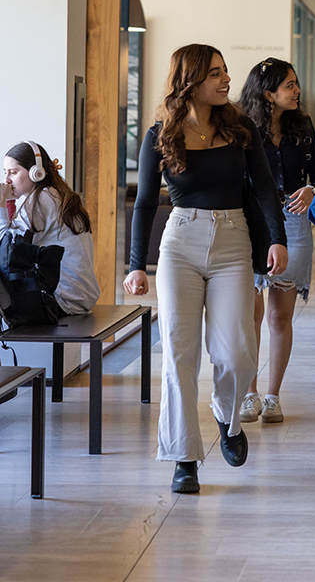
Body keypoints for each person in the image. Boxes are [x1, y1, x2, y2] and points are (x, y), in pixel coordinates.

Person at [124, 44, 288, 496]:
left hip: (234, 239)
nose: (226, 79)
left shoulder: (242, 129)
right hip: (180, 243)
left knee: (237, 351)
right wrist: (137, 264)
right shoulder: (161, 133)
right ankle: (184, 457)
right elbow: (142, 205)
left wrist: (277, 237)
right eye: (215, 73)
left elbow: (265, 191)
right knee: (179, 354)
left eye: (225, 71)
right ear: (189, 81)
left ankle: (227, 415)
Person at [236, 58, 315, 425]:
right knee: (251, 315)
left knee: (279, 315)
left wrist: (310, 188)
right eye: (289, 85)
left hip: (295, 220)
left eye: (295, 83)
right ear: (268, 94)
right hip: (253, 221)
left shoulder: (302, 125)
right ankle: (249, 393)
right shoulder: (241, 127)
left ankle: (273, 396)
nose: (297, 90)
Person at [0, 141, 100, 315]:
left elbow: (6, 247)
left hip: (64, 299)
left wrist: (2, 204)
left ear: (36, 173)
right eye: (5, 173)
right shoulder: (54, 194)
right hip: (79, 295)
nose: (6, 180)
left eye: (13, 173)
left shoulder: (42, 200)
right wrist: (8, 201)